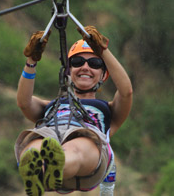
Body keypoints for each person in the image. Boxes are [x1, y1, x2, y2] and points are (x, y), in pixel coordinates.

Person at [14, 26, 133, 196]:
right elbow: (24, 102)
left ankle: (55, 164)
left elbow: (126, 91)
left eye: (94, 63)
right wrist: (31, 61)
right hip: (52, 136)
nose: (85, 67)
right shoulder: (51, 106)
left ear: (103, 75)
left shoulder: (109, 110)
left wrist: (103, 51)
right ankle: (41, 168)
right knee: (37, 143)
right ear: (68, 71)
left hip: (87, 158)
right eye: (77, 62)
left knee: (75, 146)